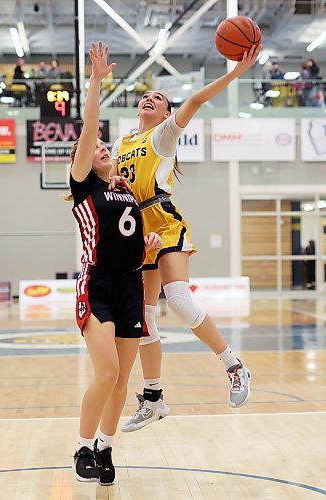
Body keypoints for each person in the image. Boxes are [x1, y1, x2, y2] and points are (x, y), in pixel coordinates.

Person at [109, 44, 261, 433]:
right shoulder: (123, 144)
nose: (149, 98)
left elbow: (194, 99)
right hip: (137, 232)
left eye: (158, 98)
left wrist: (234, 74)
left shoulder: (163, 137)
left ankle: (234, 365)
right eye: (145, 95)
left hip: (163, 222)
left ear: (165, 114)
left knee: (177, 299)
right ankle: (155, 397)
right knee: (144, 317)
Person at [67, 42, 162, 486]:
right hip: (97, 283)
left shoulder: (124, 188)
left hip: (129, 283)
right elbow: (88, 130)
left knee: (123, 379)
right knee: (106, 372)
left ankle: (105, 449)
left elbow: (130, 241)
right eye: (97, 147)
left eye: (107, 146)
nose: (102, 147)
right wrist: (97, 80)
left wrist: (149, 243)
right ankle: (83, 447)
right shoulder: (85, 185)